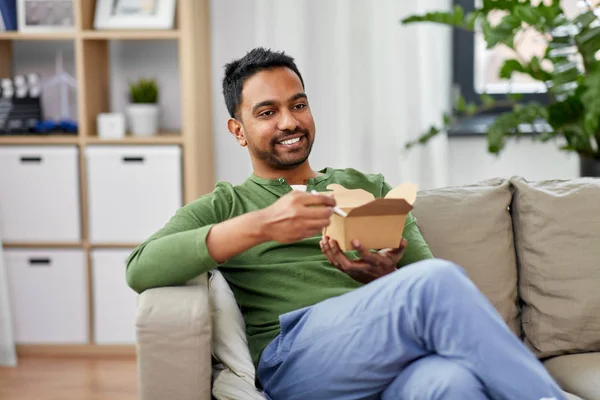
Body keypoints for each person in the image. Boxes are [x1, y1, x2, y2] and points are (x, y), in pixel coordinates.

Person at [126, 47, 565, 400]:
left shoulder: (365, 185)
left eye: (299, 105)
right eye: (267, 112)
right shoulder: (228, 203)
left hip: (384, 355)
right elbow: (140, 268)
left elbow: (422, 282)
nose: (289, 122)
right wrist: (263, 225)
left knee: (450, 382)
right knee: (438, 282)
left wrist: (383, 273)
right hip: (297, 359)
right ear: (238, 130)